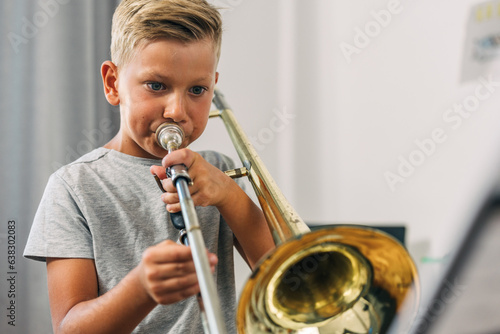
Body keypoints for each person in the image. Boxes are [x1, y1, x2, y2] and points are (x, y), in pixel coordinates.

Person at [23, 0, 274, 333]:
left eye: (197, 90)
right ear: (113, 83)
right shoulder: (73, 186)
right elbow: (69, 328)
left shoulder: (219, 170)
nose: (176, 111)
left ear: (213, 85)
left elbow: (281, 275)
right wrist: (140, 289)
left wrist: (228, 194)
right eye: (157, 86)